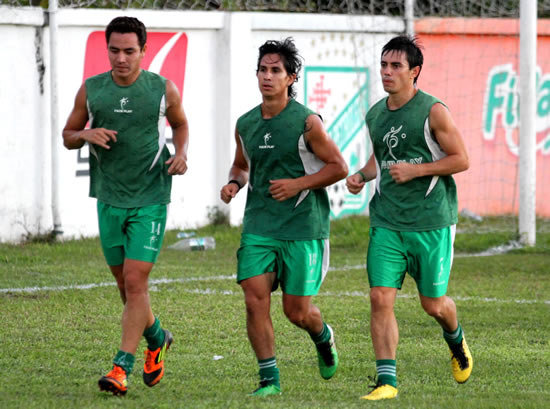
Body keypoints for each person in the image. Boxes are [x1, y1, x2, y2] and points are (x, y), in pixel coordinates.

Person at [62, 16, 189, 396]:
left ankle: (122, 367)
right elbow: (68, 135)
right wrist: (85, 134)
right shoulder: (92, 91)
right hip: (109, 198)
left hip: (150, 196)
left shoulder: (162, 89)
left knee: (136, 282)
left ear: (144, 51)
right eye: (114, 50)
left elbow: (181, 125)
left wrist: (181, 153)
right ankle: (156, 337)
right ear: (107, 50)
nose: (121, 58)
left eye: (129, 51)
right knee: (126, 286)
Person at [346, 35, 472, 401]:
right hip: (387, 221)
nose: (387, 72)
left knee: (433, 304)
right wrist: (362, 175)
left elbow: (461, 159)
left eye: (396, 66)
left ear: (414, 72)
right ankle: (387, 382)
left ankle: (456, 340)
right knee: (380, 297)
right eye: (384, 65)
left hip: (432, 221)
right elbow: (381, 158)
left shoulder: (434, 111)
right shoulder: (375, 114)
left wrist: (416, 172)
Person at [220, 38, 348, 397]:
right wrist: (234, 183)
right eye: (263, 69)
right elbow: (242, 165)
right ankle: (269, 378)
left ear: (291, 77)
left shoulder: (307, 123)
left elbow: (338, 167)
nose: (267, 76)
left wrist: (298, 185)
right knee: (253, 296)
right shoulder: (246, 124)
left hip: (303, 225)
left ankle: (323, 337)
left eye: (276, 70)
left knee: (297, 311)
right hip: (260, 225)